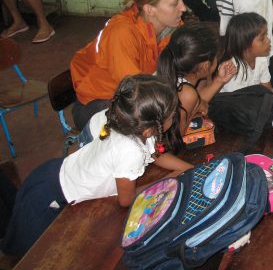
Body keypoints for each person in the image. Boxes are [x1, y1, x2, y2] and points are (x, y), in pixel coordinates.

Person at [1, 74, 194, 257]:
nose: (174, 115)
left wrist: (188, 168)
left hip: (54, 176)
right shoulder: (130, 150)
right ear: (150, 128)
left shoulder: (134, 127)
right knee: (25, 252)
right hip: (48, 196)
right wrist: (169, 179)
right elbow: (125, 199)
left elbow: (157, 155)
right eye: (171, 113)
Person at [70, 0, 186, 131]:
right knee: (156, 122)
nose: (183, 8)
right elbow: (132, 89)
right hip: (97, 104)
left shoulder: (172, 28)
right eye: (175, 3)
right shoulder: (122, 33)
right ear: (149, 9)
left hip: (134, 98)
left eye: (182, 0)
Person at [157, 22, 236, 136]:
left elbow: (193, 101)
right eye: (215, 56)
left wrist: (219, 80)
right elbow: (178, 135)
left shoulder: (175, 73)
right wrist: (195, 113)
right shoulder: (186, 92)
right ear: (205, 66)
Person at [218, 13, 272, 93]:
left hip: (251, 99)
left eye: (266, 35)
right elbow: (238, 102)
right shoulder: (232, 70)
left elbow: (267, 89)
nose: (268, 40)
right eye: (262, 38)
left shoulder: (261, 58)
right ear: (245, 44)